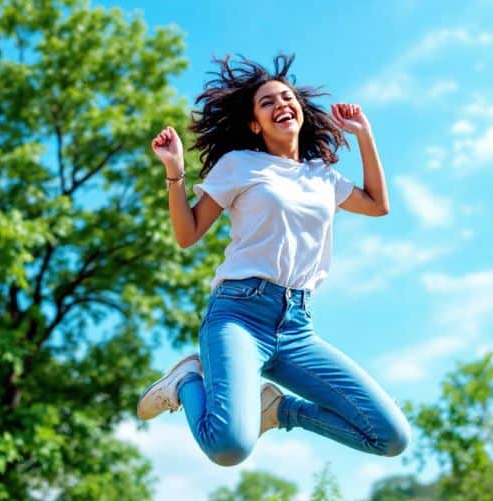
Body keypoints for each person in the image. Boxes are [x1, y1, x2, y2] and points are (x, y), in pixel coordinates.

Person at [139, 53, 410, 466]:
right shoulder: (240, 165)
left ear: (299, 111)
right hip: (239, 315)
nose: (281, 103)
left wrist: (364, 136)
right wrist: (174, 172)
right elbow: (187, 234)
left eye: (287, 98)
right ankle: (186, 382)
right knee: (228, 447)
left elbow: (377, 205)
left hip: (297, 326)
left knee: (390, 437)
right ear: (255, 124)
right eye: (267, 102)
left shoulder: (322, 175)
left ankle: (280, 411)